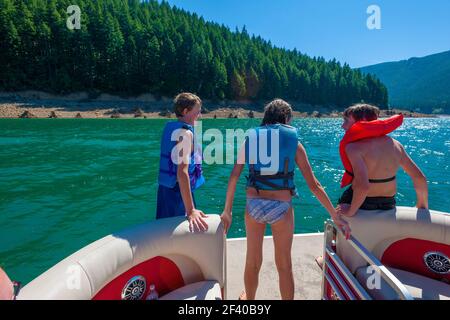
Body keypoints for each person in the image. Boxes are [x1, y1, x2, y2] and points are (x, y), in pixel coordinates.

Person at [220, 99, 350, 300]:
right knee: (284, 265)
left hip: (254, 205)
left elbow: (234, 175)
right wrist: (334, 214)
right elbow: (314, 185)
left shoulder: (250, 140)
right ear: (286, 118)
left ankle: (250, 300)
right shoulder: (295, 144)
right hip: (281, 208)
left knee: (252, 261)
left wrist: (227, 210)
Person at [336, 104, 428, 217]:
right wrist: (422, 206)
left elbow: (363, 186)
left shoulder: (353, 148)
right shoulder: (396, 145)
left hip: (362, 202)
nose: (343, 126)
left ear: (362, 121)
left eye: (346, 120)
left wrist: (350, 211)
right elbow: (419, 177)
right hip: (388, 203)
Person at [156, 92, 208, 232]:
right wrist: (190, 210)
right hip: (177, 193)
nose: (200, 116)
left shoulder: (172, 128)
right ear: (185, 111)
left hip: (166, 190)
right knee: (177, 233)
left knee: (164, 230)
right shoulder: (185, 134)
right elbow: (182, 172)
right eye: (197, 112)